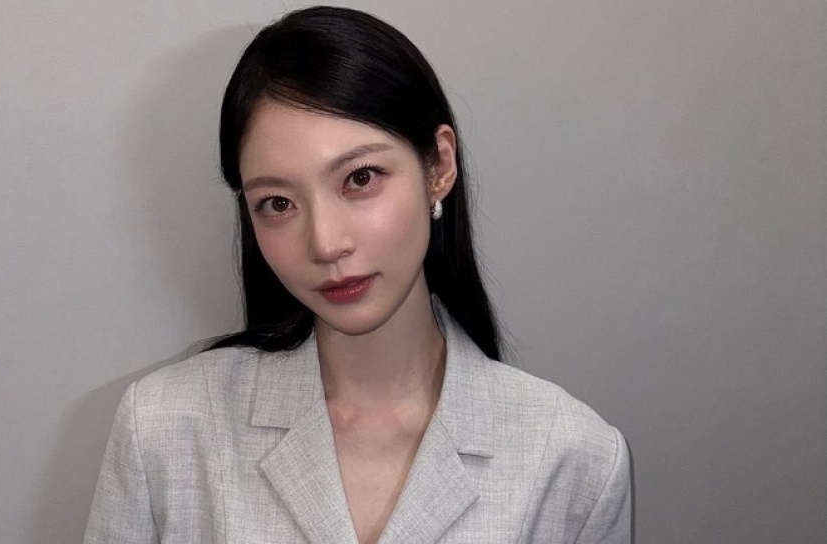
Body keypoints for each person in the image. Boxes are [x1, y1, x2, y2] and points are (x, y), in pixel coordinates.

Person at [84, 6, 631, 543]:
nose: (326, 244)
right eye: (278, 203)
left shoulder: (574, 459)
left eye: (360, 178)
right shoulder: (164, 429)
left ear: (439, 167)